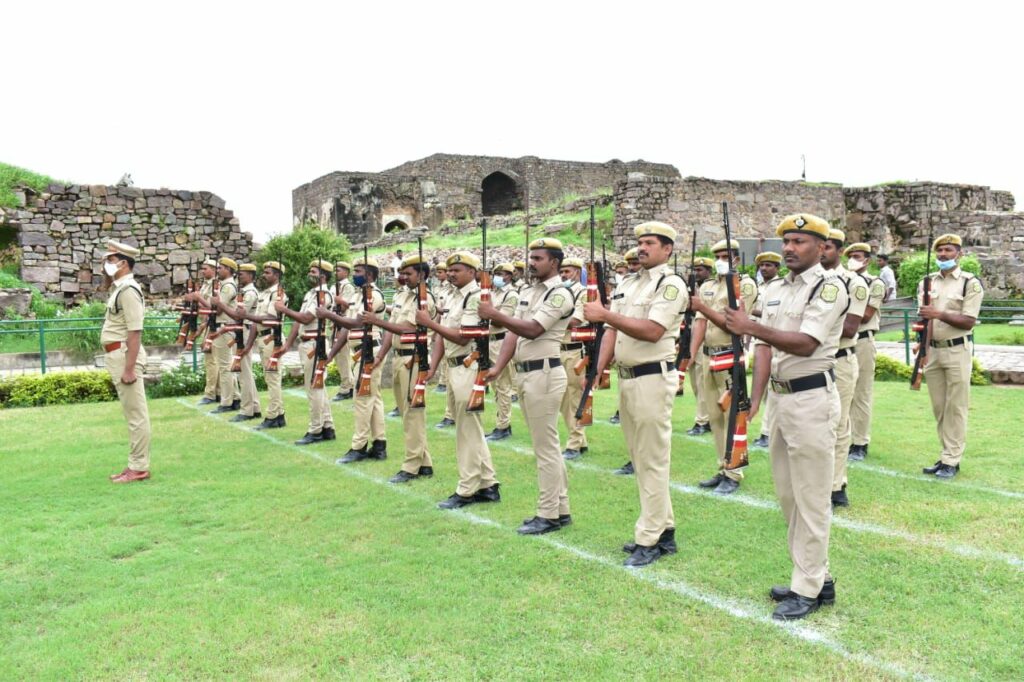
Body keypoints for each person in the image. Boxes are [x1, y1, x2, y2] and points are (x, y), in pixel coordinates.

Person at [723, 213, 848, 621]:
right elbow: (763, 349)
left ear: (821, 247)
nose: (790, 248)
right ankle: (816, 576)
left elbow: (807, 342)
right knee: (789, 496)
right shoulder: (775, 288)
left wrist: (751, 326)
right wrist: (755, 400)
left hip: (812, 398)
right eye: (787, 242)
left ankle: (807, 587)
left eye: (799, 242)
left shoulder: (829, 288)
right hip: (781, 400)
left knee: (811, 497)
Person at [584, 222, 688, 567]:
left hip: (652, 378)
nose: (642, 248)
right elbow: (611, 331)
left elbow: (653, 330)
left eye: (650, 243)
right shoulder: (629, 283)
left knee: (652, 459)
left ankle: (650, 538)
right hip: (628, 379)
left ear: (667, 249)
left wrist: (605, 313)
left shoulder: (670, 284)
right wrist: (597, 370)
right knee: (641, 458)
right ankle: (665, 529)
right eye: (640, 242)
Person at [480, 239, 574, 534]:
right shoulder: (529, 291)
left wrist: (495, 314)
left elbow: (533, 330)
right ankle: (560, 508)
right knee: (546, 445)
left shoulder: (560, 294)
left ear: (554, 262)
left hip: (544, 373)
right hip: (527, 374)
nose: (531, 263)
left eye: (538, 258)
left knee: (545, 448)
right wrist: (498, 367)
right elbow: (513, 333)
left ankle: (548, 514)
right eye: (531, 257)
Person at [416, 251, 501, 509]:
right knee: (468, 427)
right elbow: (443, 337)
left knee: (467, 430)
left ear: (472, 272)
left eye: (457, 270)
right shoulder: (453, 296)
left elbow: (463, 336)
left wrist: (429, 323)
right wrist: (433, 365)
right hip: (454, 367)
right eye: (450, 270)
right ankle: (488, 484)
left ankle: (467, 488)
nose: (451, 274)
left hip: (469, 365)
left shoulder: (475, 297)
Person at [357, 254, 437, 482]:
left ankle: (411, 465)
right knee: (407, 412)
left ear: (422, 275)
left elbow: (407, 328)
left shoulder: (425, 299)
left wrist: (376, 321)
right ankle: (424, 462)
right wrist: (381, 355)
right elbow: (392, 329)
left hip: (414, 359)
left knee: (413, 413)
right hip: (399, 358)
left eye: (408, 273)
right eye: (402, 273)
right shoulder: (403, 295)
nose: (403, 277)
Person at [687, 239, 758, 495]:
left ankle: (734, 472)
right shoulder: (707, 286)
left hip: (730, 355)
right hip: (708, 356)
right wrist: (690, 356)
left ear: (736, 259)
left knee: (733, 416)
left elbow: (734, 325)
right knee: (715, 417)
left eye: (726, 256)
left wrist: (702, 308)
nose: (720, 261)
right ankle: (723, 466)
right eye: (717, 256)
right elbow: (700, 323)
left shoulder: (744, 285)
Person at [918, 233, 982, 479]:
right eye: (940, 251)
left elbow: (968, 321)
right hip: (934, 351)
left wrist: (938, 314)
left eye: (948, 250)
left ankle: (951, 460)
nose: (943, 255)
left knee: (955, 407)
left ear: (959, 254)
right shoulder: (926, 283)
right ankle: (946, 454)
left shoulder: (969, 283)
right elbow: (924, 319)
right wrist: (922, 347)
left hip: (957, 350)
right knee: (939, 407)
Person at [321, 257, 389, 463]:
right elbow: (346, 328)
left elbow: (356, 323)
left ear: (370, 274)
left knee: (362, 398)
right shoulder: (359, 295)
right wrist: (331, 354)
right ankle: (379, 444)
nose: (355, 275)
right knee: (373, 399)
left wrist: (329, 315)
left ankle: (359, 446)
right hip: (360, 351)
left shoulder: (373, 295)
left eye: (359, 271)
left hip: (369, 351)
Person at [821, 230, 867, 508]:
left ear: (839, 251)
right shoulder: (809, 281)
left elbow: (850, 327)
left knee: (838, 424)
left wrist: (810, 331)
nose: (822, 251)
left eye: (827, 247)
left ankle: (836, 486)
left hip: (839, 359)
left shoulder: (853, 282)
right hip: (811, 360)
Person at [101, 240, 152, 483]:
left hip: (124, 356)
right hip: (118, 355)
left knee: (136, 414)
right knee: (132, 413)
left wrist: (129, 368)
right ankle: (134, 464)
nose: (106, 264)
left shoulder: (129, 290)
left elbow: (135, 331)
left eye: (110, 260)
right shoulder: (120, 288)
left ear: (123, 263)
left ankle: (139, 467)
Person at [275, 259, 337, 445]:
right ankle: (327, 426)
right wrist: (288, 344)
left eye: (314, 272)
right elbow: (298, 321)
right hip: (307, 344)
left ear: (323, 276)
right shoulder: (311, 294)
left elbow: (306, 317)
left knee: (314, 387)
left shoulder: (323, 295)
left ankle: (315, 429)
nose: (310, 274)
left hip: (315, 345)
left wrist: (284, 309)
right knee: (317, 387)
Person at [844, 244, 886, 461]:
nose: (852, 260)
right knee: (841, 392)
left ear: (867, 260)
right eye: (850, 256)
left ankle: (860, 442)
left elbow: (866, 315)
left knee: (861, 393)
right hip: (842, 341)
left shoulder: (874, 283)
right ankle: (843, 439)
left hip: (861, 340)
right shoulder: (842, 282)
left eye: (857, 256)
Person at [246, 260, 288, 430]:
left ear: (277, 275)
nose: (264, 275)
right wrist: (248, 345)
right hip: (264, 339)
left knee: (273, 378)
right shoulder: (264, 293)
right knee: (270, 377)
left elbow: (270, 319)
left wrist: (246, 316)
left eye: (268, 273)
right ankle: (279, 415)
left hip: (272, 339)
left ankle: (272, 416)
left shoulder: (277, 294)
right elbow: (256, 322)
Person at [199, 257, 241, 414]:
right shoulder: (223, 285)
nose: (218, 270)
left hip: (224, 327)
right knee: (225, 365)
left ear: (229, 270)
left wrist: (199, 299)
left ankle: (227, 401)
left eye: (221, 268)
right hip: (220, 327)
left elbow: (217, 309)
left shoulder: (228, 286)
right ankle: (235, 398)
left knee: (224, 367)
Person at [750, 252, 782, 448]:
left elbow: (774, 314)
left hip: (774, 340)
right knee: (762, 389)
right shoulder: (759, 287)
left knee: (772, 389)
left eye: (769, 265)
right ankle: (766, 431)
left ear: (777, 268)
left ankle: (767, 432)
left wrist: (749, 310)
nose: (764, 268)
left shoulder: (781, 287)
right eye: (761, 265)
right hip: (759, 339)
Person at [485, 263, 519, 441]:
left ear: (510, 276)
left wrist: (490, 312)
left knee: (503, 385)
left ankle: (503, 426)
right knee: (494, 386)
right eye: (495, 273)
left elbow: (500, 321)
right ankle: (501, 422)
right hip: (488, 341)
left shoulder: (511, 295)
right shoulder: (493, 293)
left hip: (501, 341)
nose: (497, 277)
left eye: (501, 273)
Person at [559, 258, 588, 460]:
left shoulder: (583, 293)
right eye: (561, 272)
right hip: (559, 349)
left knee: (576, 397)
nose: (563, 275)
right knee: (563, 399)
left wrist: (548, 319)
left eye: (567, 271)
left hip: (576, 351)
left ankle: (574, 444)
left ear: (577, 272)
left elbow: (575, 321)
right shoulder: (561, 292)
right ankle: (580, 440)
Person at [226, 263, 262, 422]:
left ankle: (247, 410)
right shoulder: (244, 292)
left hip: (245, 331)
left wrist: (220, 305)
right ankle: (254, 407)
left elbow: (239, 315)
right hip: (241, 330)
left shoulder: (250, 293)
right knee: (245, 372)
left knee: (244, 372)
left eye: (242, 274)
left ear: (251, 275)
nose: (238, 276)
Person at [685, 256, 714, 437]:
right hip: (691, 336)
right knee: (695, 382)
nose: (697, 273)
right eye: (695, 270)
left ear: (709, 271)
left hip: (705, 338)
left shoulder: (711, 288)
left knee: (703, 382)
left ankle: (702, 421)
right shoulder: (693, 288)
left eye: (700, 270)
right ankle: (706, 416)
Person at [195, 258, 220, 405]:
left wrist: (202, 328)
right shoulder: (206, 284)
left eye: (206, 268)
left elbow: (211, 308)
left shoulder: (216, 285)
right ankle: (217, 392)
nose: (202, 271)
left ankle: (210, 393)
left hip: (212, 324)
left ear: (214, 269)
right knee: (211, 359)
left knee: (211, 360)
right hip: (207, 323)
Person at [332, 261, 358, 401]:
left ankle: (347, 387)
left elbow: (348, 306)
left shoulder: (348, 287)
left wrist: (339, 300)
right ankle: (348, 383)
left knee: (343, 357)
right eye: (335, 270)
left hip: (343, 323)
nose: (336, 272)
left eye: (339, 270)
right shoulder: (333, 286)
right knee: (339, 357)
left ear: (346, 272)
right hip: (334, 323)